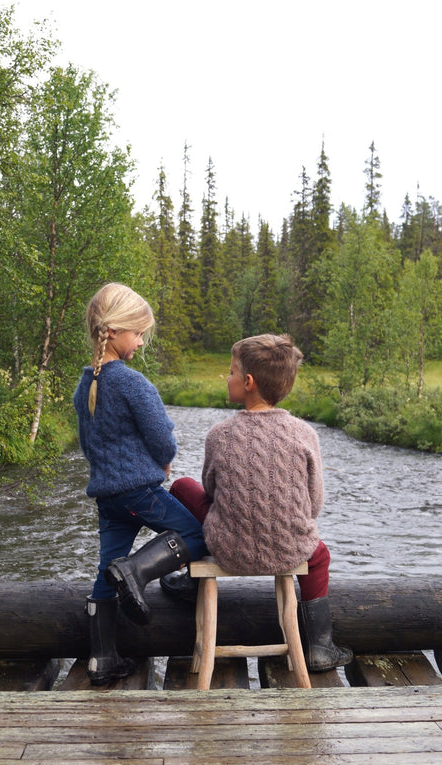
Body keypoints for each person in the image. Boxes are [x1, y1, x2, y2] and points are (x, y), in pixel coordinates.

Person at [161, 333, 352, 672]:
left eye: (231, 371)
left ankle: (191, 576)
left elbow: (210, 489)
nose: (227, 377)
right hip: (290, 546)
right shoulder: (305, 433)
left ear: (248, 382)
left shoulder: (219, 435)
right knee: (319, 556)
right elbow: (314, 503)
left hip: (227, 547)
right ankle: (320, 647)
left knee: (182, 486)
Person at [73, 282, 207, 686]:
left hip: (108, 496)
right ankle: (137, 571)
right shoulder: (131, 382)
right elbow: (163, 438)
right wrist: (161, 460)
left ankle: (102, 660)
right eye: (138, 332)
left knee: (104, 570)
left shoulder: (87, 384)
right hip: (138, 492)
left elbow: (88, 442)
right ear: (114, 331)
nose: (142, 340)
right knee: (198, 535)